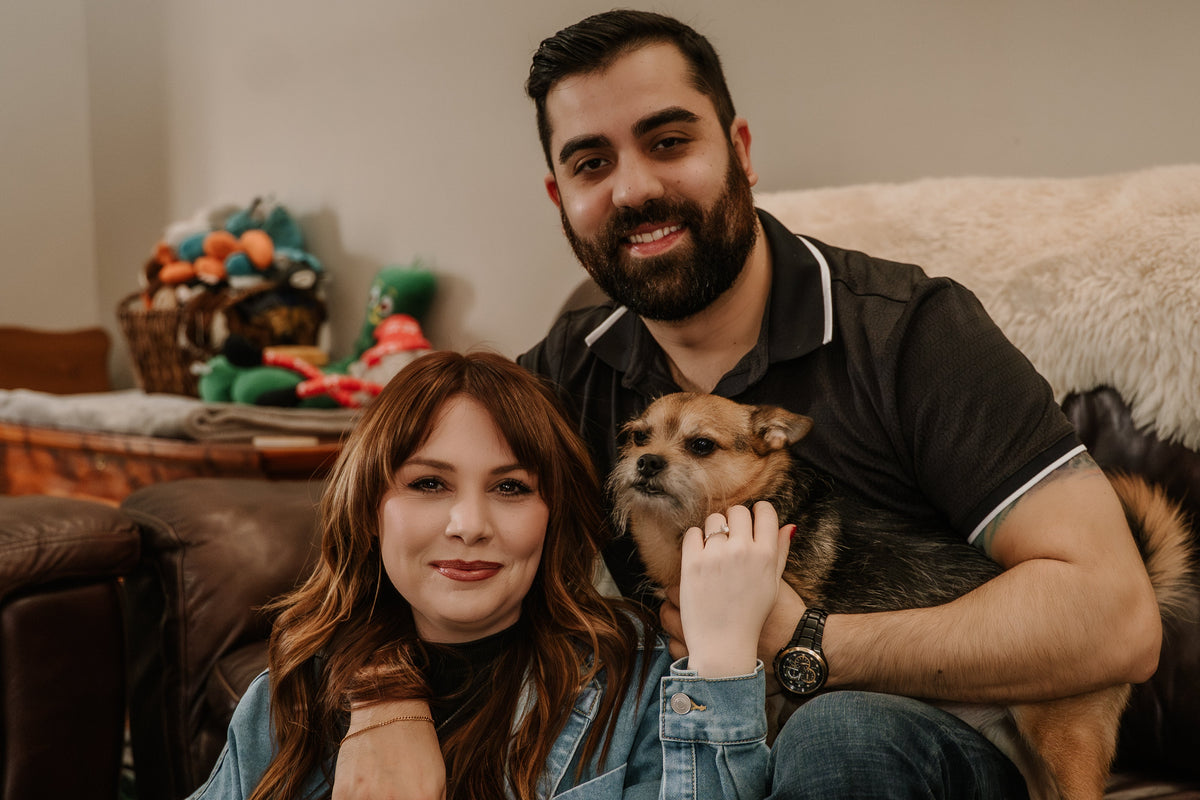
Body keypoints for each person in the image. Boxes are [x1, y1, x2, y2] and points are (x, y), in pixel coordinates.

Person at [342, 10, 1162, 799]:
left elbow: (1118, 618)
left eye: (668, 141)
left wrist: (807, 644)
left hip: (936, 738)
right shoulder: (564, 369)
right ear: (560, 197)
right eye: (591, 163)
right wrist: (383, 696)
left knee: (837, 733)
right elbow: (384, 523)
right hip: (695, 739)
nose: (634, 188)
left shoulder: (912, 333)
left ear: (738, 150)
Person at [188, 350, 786, 800]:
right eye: (428, 483)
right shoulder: (289, 693)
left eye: (510, 487)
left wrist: (725, 661)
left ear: (551, 515)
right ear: (371, 509)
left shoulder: (648, 685)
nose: (469, 525)